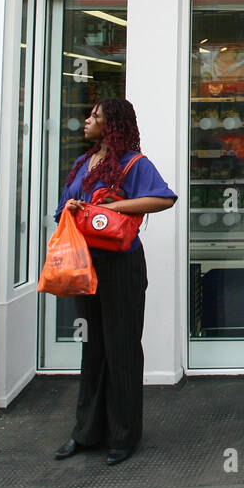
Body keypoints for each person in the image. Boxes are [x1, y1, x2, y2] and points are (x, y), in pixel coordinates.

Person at [53, 98, 176, 466]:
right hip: (85, 262)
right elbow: (63, 208)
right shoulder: (81, 163)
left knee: (121, 347)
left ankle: (123, 436)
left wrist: (109, 208)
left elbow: (163, 198)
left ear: (112, 125)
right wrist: (73, 210)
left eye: (95, 116)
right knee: (92, 348)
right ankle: (86, 432)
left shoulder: (133, 164)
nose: (87, 120)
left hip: (121, 264)